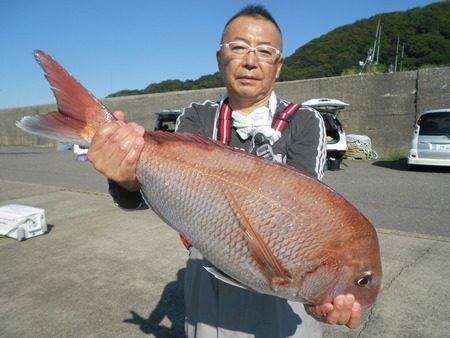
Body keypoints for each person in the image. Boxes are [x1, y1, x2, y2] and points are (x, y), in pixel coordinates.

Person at [88, 5, 365, 337]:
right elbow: (153, 194)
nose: (250, 60)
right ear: (220, 58)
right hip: (209, 277)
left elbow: (305, 215)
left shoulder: (304, 121)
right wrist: (127, 178)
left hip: (283, 288)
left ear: (278, 67)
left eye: (265, 52)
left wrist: (320, 295)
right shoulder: (197, 118)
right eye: (238, 48)